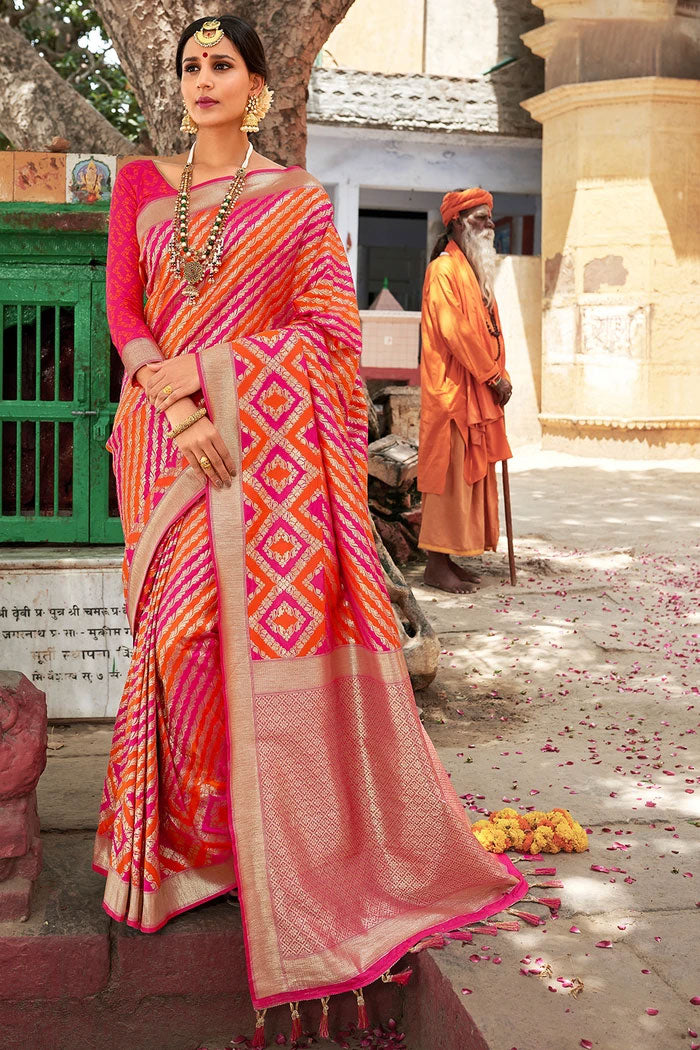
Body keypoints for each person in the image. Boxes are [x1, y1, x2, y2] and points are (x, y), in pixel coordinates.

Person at [95, 18, 527, 1043]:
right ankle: (186, 853)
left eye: (222, 66)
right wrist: (180, 394)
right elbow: (124, 310)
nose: (203, 80)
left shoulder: (292, 202)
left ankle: (261, 850)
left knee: (216, 636)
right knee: (173, 640)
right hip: (163, 442)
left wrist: (216, 376)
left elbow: (327, 341)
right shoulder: (143, 187)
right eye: (191, 65)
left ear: (255, 87)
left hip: (258, 461)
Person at [418, 188, 513, 594]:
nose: (489, 226)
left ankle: (451, 558)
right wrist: (492, 375)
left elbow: (488, 330)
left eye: (490, 219)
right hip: (452, 393)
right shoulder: (443, 270)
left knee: (468, 480)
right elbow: (454, 331)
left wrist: (496, 374)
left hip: (478, 389)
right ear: (456, 224)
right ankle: (435, 566)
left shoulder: (474, 271)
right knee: (449, 478)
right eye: (479, 220)